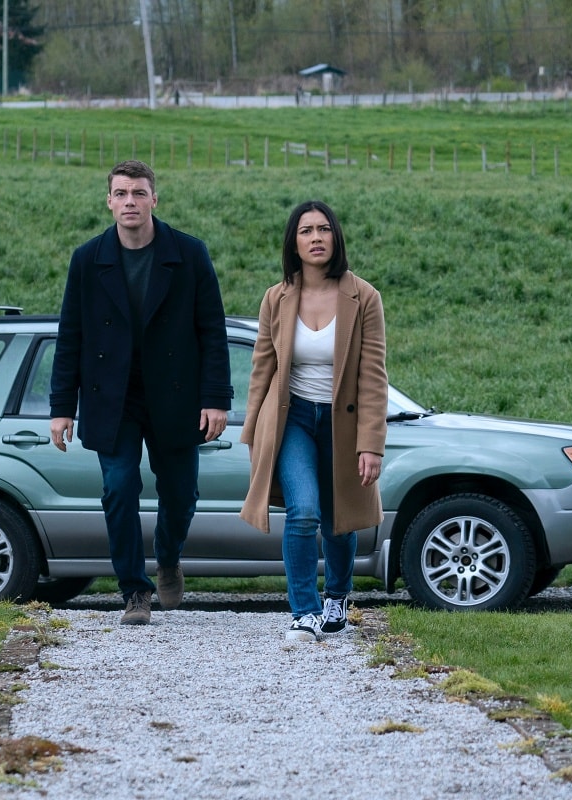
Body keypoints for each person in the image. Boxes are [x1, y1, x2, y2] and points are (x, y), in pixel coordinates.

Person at [50, 159, 233, 626]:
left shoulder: (189, 254)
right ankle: (135, 590)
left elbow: (212, 331)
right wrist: (60, 408)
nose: (129, 202)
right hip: (112, 398)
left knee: (181, 495)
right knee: (118, 488)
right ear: (109, 201)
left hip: (175, 398)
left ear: (155, 198)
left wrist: (216, 399)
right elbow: (70, 335)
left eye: (138, 193)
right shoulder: (87, 259)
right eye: (121, 194)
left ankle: (168, 557)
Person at [239, 200, 388, 642]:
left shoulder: (364, 296)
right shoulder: (276, 297)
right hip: (293, 419)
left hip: (344, 423)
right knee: (303, 512)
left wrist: (371, 443)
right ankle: (303, 611)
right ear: (294, 241)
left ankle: (337, 595)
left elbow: (373, 373)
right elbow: (262, 369)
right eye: (306, 231)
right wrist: (253, 433)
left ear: (336, 237)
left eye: (324, 229)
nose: (316, 237)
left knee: (338, 519)